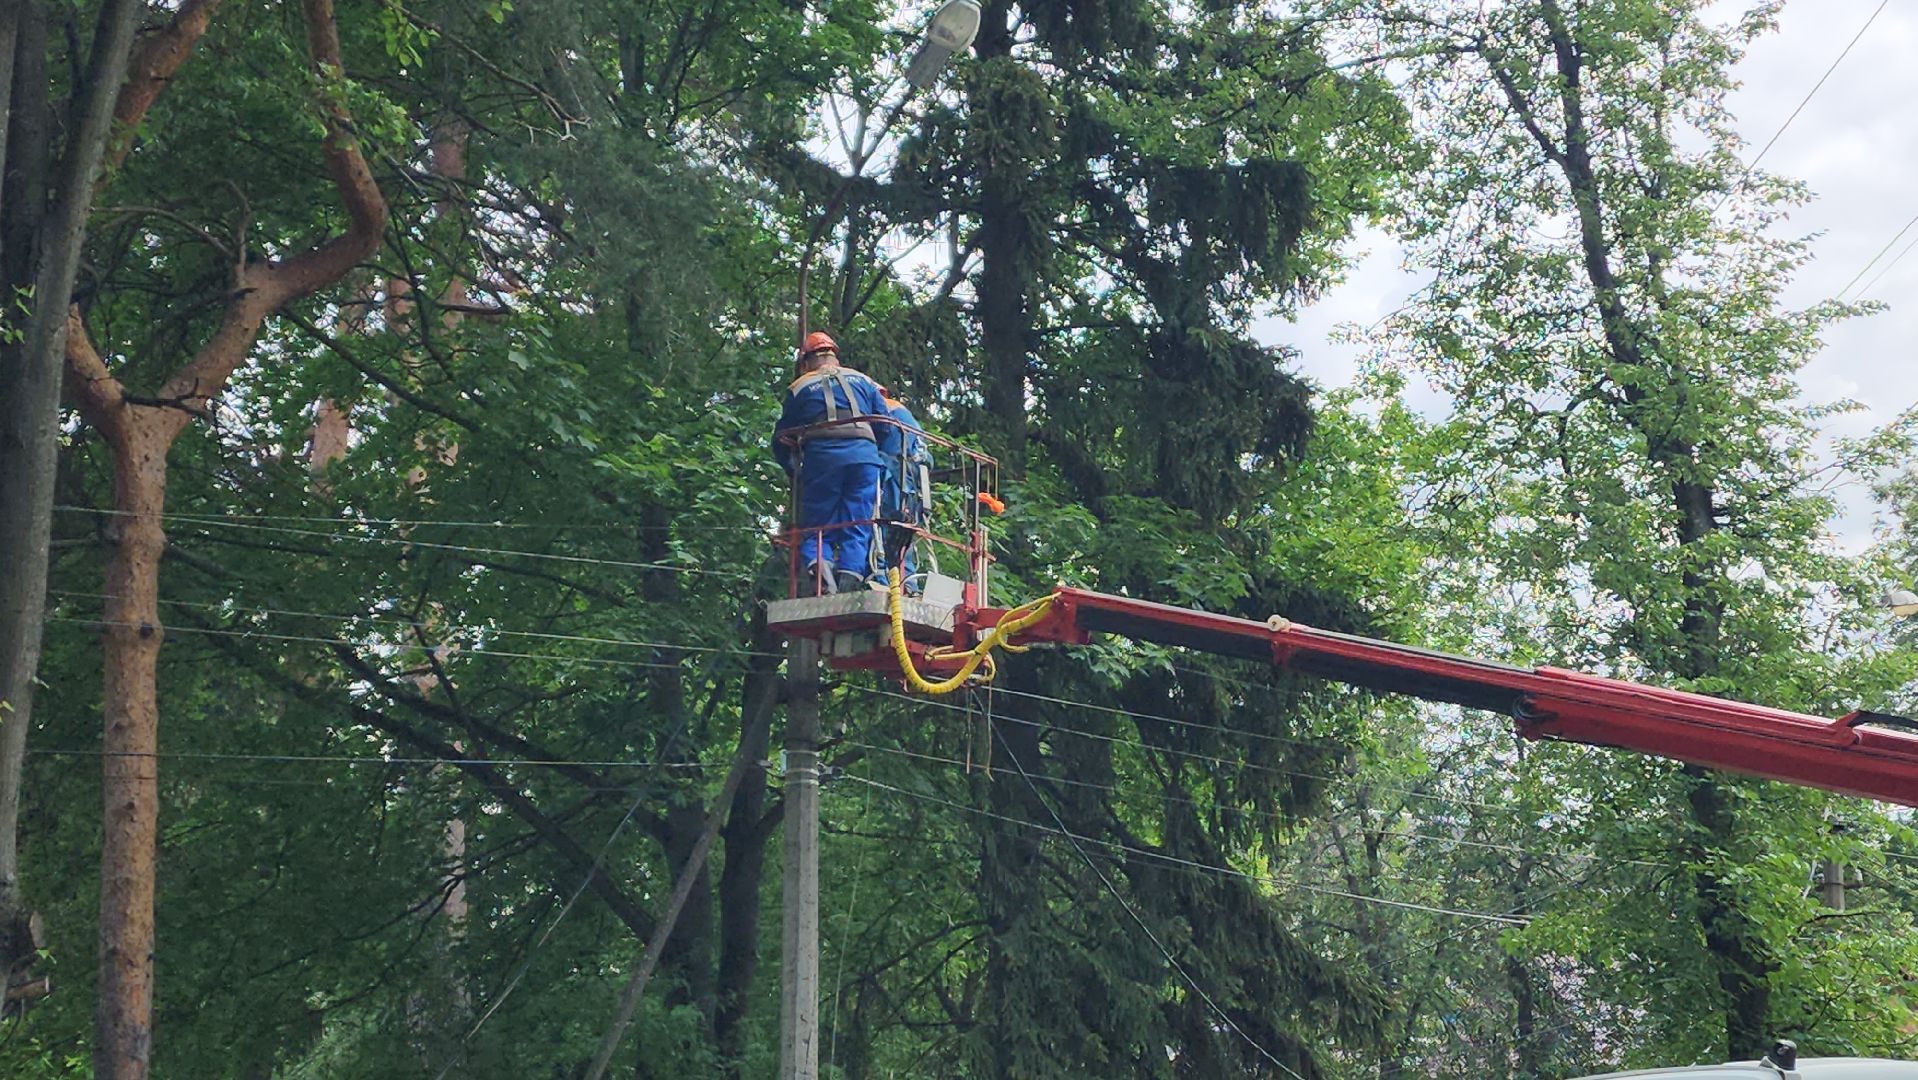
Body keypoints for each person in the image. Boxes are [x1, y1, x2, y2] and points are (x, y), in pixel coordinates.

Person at [773, 331, 896, 594]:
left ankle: (821, 573)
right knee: (858, 521)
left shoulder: (799, 387)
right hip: (863, 458)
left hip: (822, 460)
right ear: (834, 357)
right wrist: (874, 453)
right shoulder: (863, 380)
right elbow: (884, 424)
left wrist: (792, 469)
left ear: (805, 362)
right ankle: (850, 577)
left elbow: (782, 435)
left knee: (818, 526)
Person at [877, 386, 932, 589]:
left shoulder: (884, 414)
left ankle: (883, 579)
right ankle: (908, 584)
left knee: (882, 528)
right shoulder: (904, 415)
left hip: (897, 480)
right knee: (903, 535)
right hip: (914, 483)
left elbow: (886, 456)